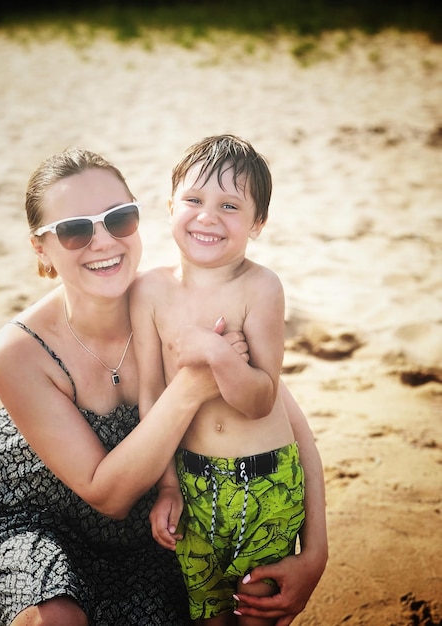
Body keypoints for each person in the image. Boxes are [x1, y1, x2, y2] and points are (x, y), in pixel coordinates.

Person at [0, 147, 326, 626]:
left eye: (118, 219)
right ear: (41, 248)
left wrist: (316, 552)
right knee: (56, 620)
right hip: (37, 516)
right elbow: (108, 494)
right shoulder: (17, 351)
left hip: (148, 532)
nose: (101, 242)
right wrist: (194, 383)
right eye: (75, 230)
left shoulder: (173, 299)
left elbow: (285, 417)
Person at [129, 135, 327, 625]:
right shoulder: (150, 291)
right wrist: (169, 486)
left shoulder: (260, 287)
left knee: (259, 613)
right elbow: (151, 394)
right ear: (169, 205)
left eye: (230, 205)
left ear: (257, 224)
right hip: (192, 488)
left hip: (266, 486)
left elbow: (260, 399)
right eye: (193, 200)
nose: (207, 216)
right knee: (207, 616)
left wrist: (218, 355)